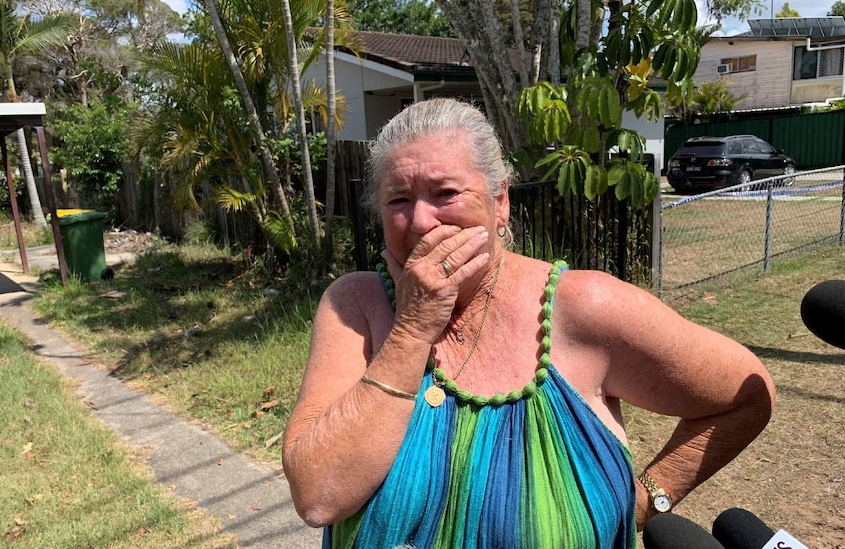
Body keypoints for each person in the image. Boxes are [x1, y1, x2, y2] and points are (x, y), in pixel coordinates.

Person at [282, 98, 776, 548]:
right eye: (398, 200)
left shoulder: (586, 308)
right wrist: (414, 327)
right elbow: (317, 497)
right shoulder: (355, 305)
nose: (421, 222)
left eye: (446, 193)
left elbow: (747, 396)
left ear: (500, 202)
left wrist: (650, 498)